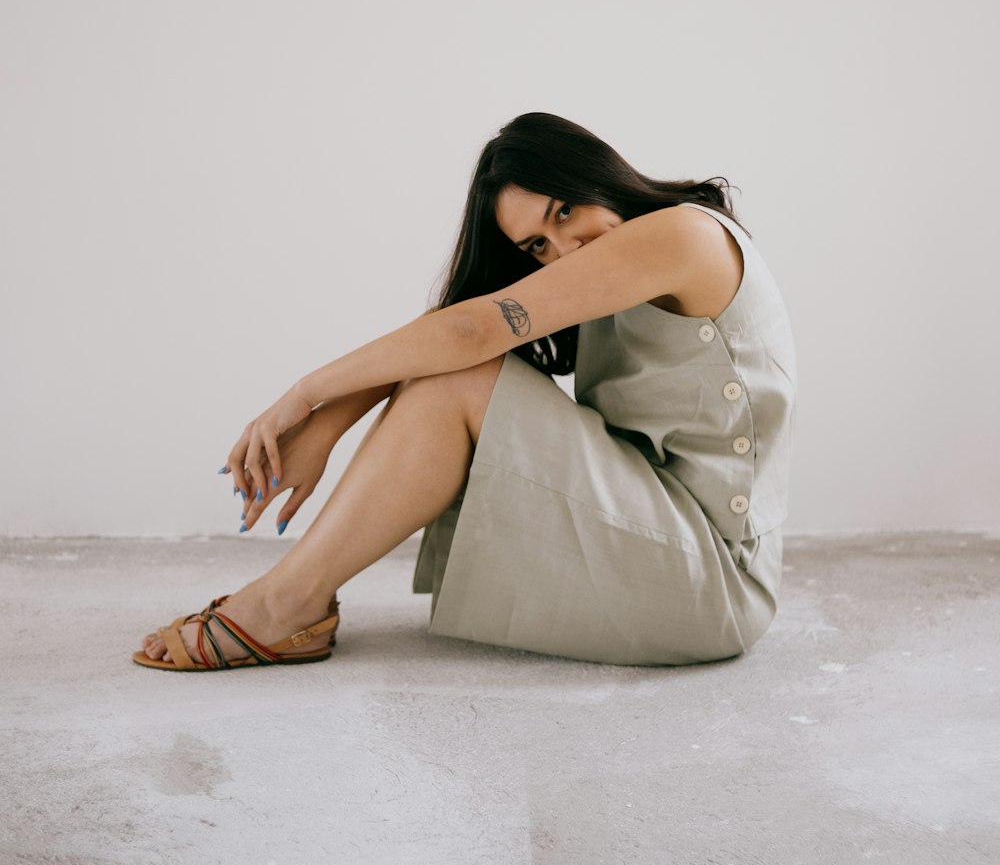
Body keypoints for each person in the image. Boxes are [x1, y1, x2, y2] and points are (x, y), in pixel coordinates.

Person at [134, 111, 797, 671]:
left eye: (566, 210)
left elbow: (472, 331)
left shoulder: (681, 236)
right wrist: (330, 425)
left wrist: (305, 393)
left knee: (467, 371)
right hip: (660, 532)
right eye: (537, 245)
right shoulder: (621, 263)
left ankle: (283, 606)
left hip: (714, 580)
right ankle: (290, 602)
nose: (564, 248)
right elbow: (452, 328)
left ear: (598, 172)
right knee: (457, 371)